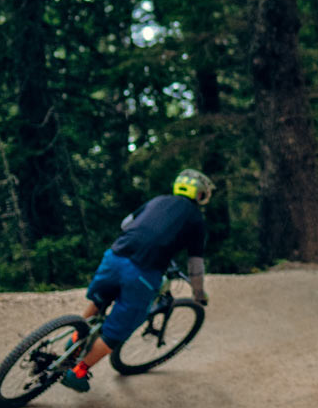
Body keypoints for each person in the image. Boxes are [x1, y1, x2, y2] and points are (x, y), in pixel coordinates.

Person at [60, 169, 213, 394]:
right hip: (142, 273)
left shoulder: (158, 200)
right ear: (200, 195)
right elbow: (195, 266)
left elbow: (125, 223)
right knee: (116, 332)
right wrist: (198, 293)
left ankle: (74, 339)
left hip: (114, 257)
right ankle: (79, 371)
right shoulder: (196, 220)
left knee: (99, 299)